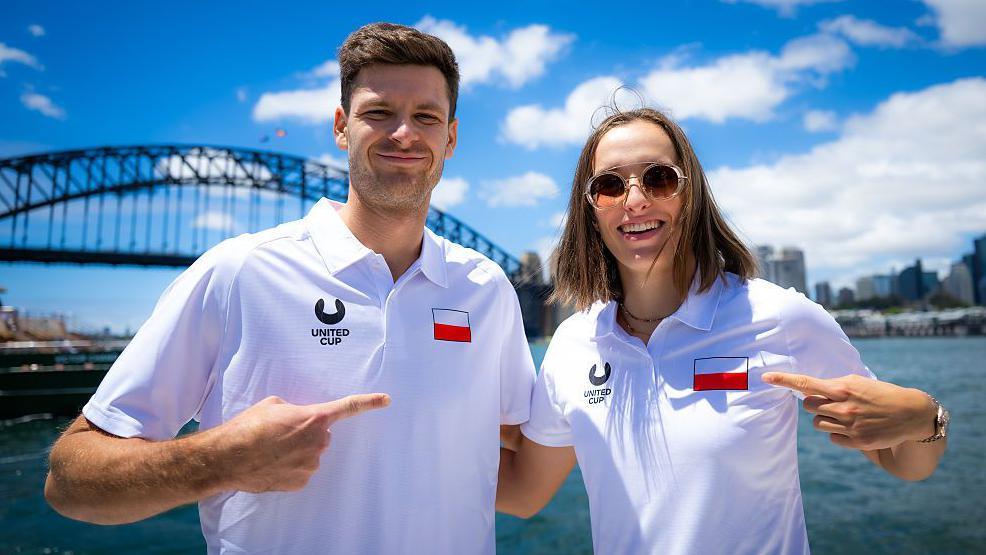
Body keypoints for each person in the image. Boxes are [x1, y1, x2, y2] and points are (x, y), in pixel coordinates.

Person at [44, 23, 536, 554]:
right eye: (378, 113)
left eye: (426, 117)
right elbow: (70, 482)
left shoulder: (485, 289)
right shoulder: (237, 273)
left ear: (451, 137)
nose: (403, 134)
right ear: (341, 127)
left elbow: (520, 458)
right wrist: (220, 459)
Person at [495, 107, 948, 554]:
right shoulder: (573, 346)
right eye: (610, 185)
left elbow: (902, 461)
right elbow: (522, 492)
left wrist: (926, 415)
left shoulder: (780, 316)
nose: (635, 200)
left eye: (659, 178)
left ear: (691, 195)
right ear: (590, 209)